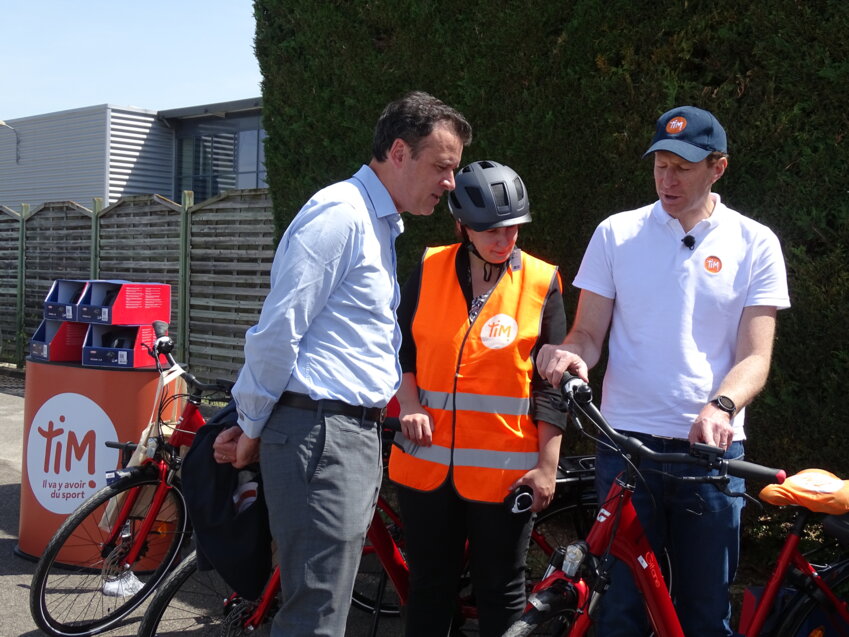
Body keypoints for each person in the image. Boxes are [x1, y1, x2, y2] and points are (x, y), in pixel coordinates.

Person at [211, 91, 472, 637]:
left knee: (322, 607)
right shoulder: (341, 215)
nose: (451, 182)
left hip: (337, 434)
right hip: (320, 435)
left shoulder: (375, 221)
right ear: (399, 152)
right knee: (316, 618)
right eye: (443, 166)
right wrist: (251, 423)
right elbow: (278, 330)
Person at [536, 105, 790, 636]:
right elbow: (587, 334)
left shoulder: (755, 242)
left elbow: (755, 357)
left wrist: (722, 406)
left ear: (717, 167)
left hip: (712, 459)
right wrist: (571, 353)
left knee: (703, 614)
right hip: (626, 451)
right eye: (660, 165)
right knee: (621, 609)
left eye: (683, 167)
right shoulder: (616, 234)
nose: (667, 179)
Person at [388, 160, 568, 636]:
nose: (503, 239)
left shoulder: (541, 281)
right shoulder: (427, 270)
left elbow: (552, 384)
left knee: (502, 590)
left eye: (512, 228)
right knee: (429, 588)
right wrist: (407, 403)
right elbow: (399, 349)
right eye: (489, 229)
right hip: (424, 467)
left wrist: (547, 465)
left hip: (504, 475)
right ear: (462, 225)